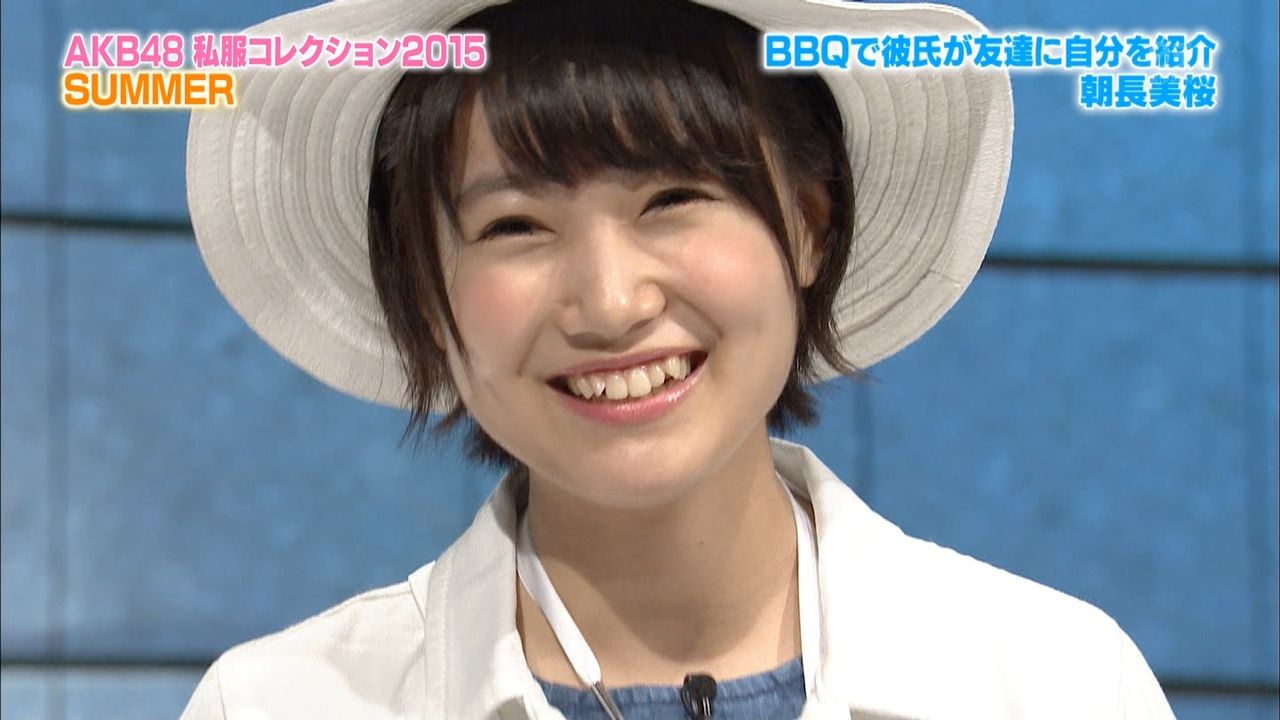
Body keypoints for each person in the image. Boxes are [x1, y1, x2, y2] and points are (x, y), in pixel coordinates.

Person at [180, 0, 1177, 718]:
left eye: (672, 199)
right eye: (515, 224)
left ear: (810, 223)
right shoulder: (281, 703)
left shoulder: (1050, 683)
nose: (612, 303)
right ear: (422, 292)